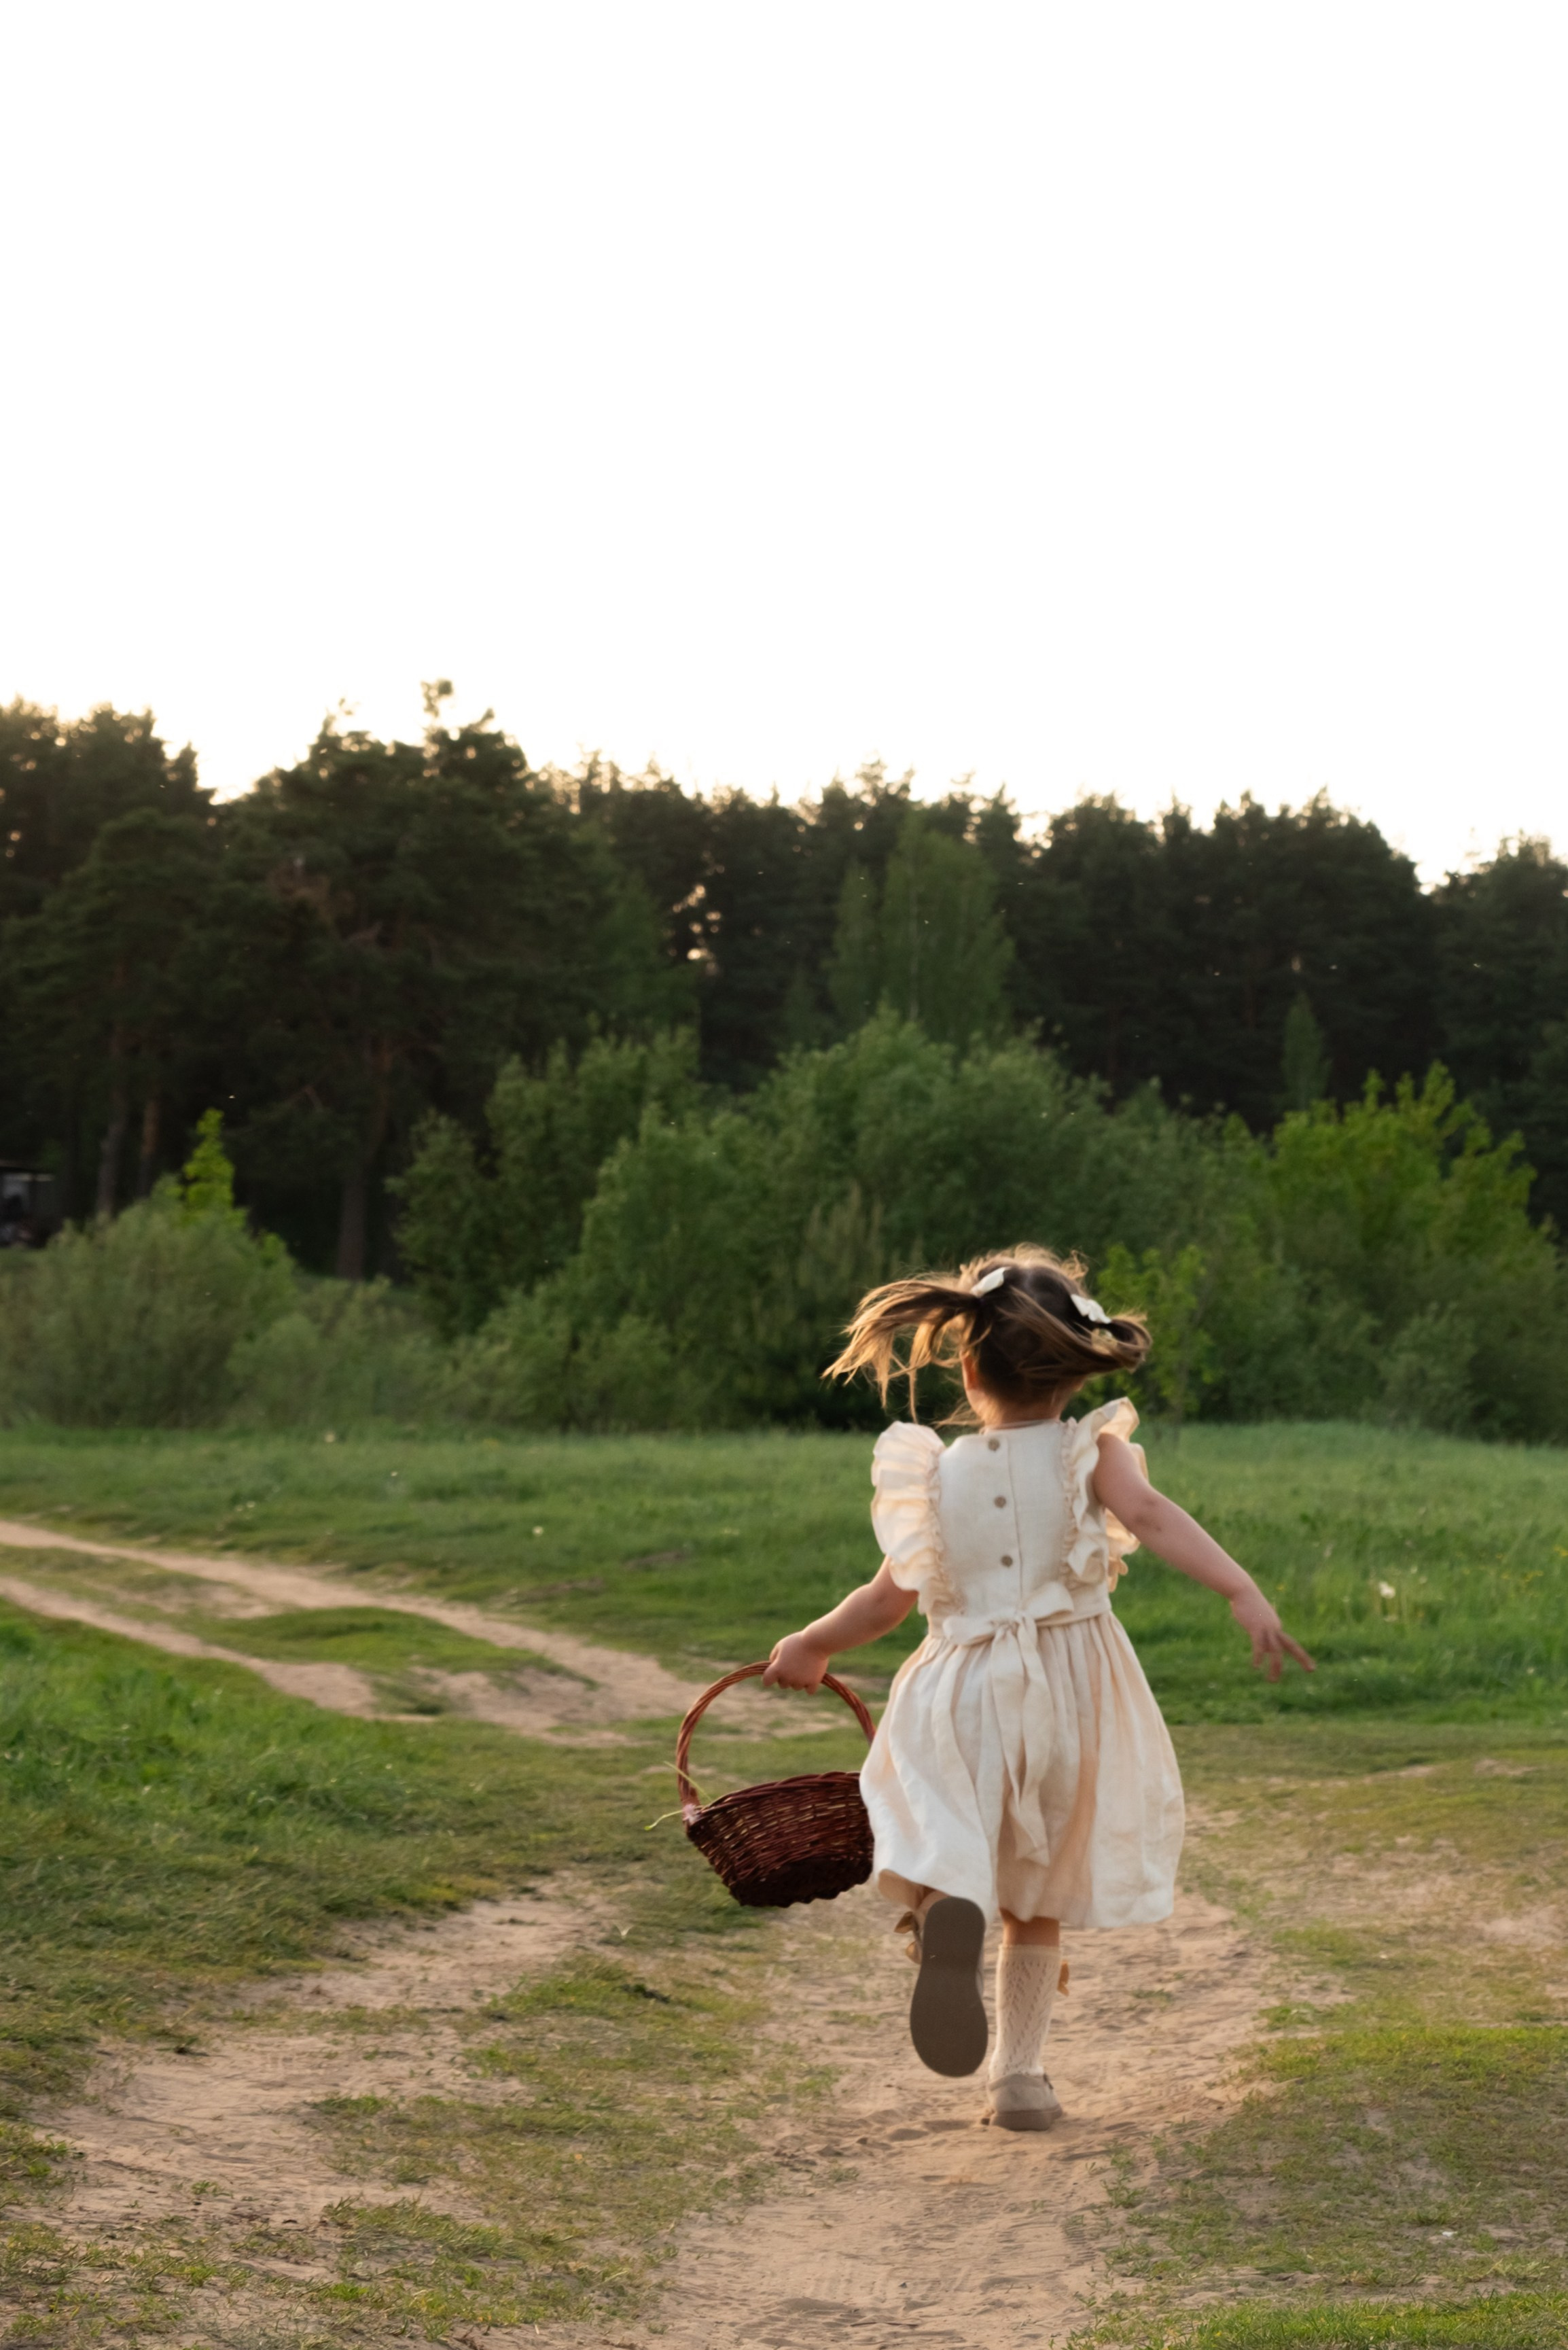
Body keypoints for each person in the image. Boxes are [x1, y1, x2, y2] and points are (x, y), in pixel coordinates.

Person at [762, 1246, 1314, 2132]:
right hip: (1067, 1687)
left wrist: (811, 1644)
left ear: (969, 1361)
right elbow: (1154, 1518)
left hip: (959, 1691)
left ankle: (950, 1908)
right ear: (1072, 1368)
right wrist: (1241, 1589)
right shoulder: (1090, 1452)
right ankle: (1019, 2077)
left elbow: (885, 1597)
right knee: (1039, 1887)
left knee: (955, 1840)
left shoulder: (936, 1475)